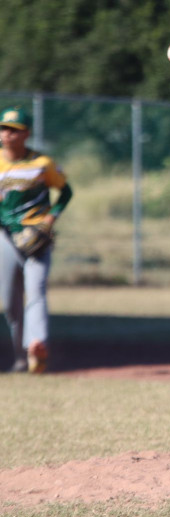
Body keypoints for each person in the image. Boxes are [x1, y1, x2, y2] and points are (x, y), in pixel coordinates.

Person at [0, 106, 73, 373]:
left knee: (37, 291)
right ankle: (21, 356)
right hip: (5, 237)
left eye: (15, 130)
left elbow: (65, 192)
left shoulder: (41, 164)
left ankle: (37, 346)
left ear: (26, 134)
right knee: (10, 302)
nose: (8, 134)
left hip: (37, 235)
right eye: (4, 128)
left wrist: (50, 219)